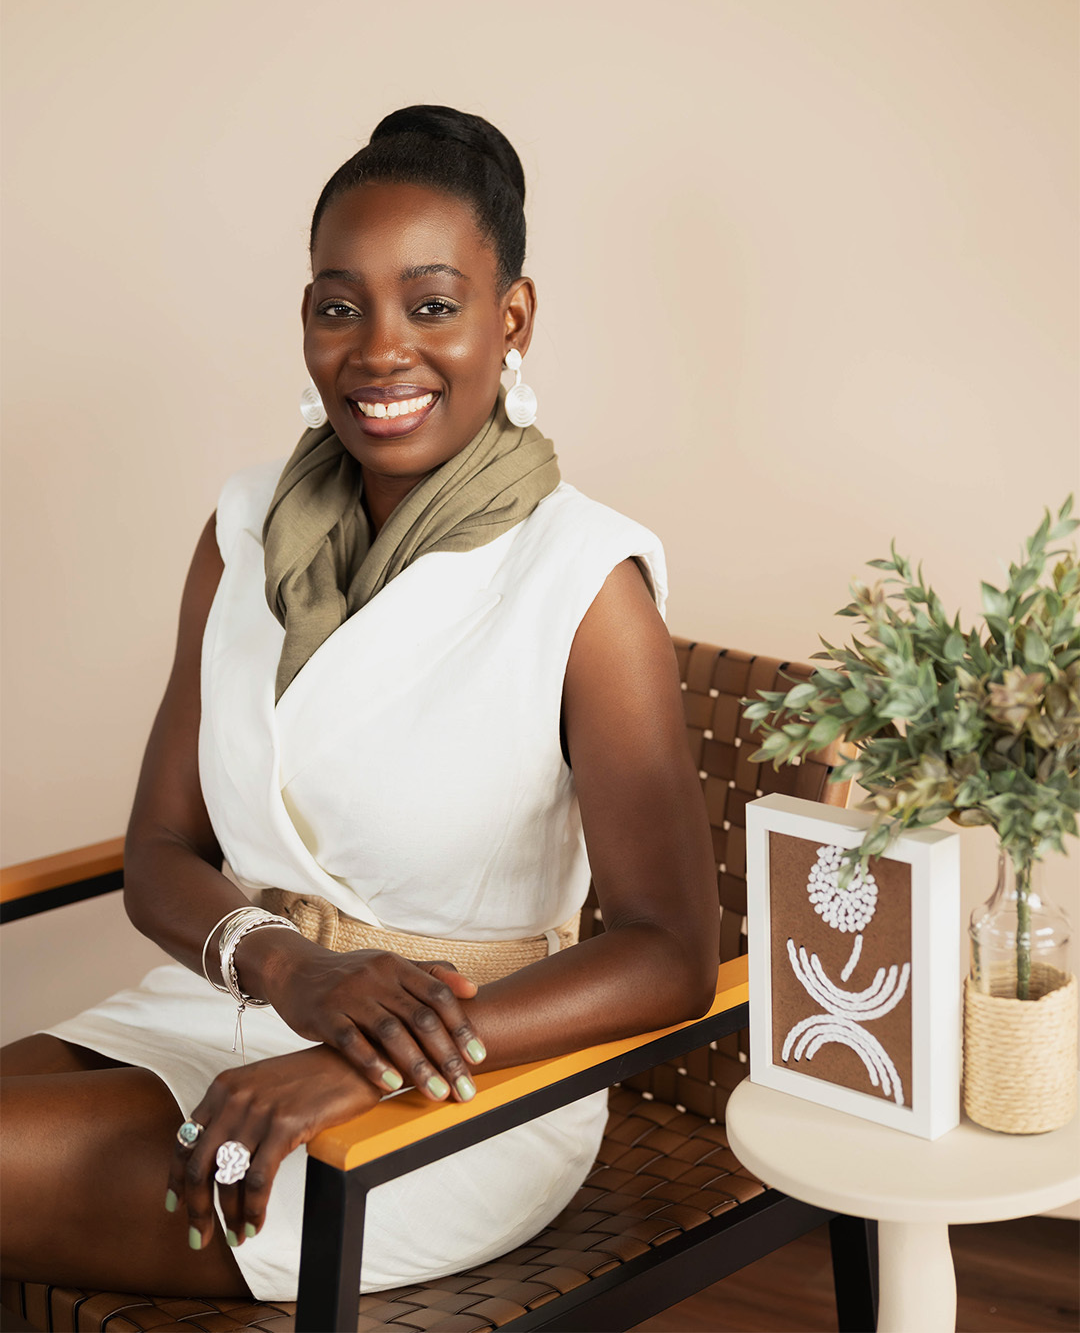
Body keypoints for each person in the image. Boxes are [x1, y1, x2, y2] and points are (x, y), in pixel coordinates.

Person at [0, 106, 719, 1304]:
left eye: (432, 304)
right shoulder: (241, 532)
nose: (381, 349)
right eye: (341, 307)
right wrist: (290, 971)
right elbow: (161, 850)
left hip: (464, 1084)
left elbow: (671, 956)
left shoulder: (584, 583)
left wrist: (362, 1063)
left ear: (513, 319)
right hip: (230, 1004)